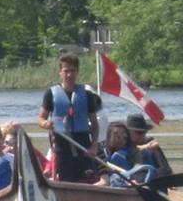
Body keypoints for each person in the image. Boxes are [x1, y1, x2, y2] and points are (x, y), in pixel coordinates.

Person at [38, 52, 102, 183]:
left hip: (83, 146)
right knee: (64, 182)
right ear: (60, 72)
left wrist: (94, 146)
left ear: (77, 72)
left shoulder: (87, 95)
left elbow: (94, 125)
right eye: (66, 71)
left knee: (85, 181)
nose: (69, 74)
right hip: (62, 148)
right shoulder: (51, 94)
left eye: (72, 71)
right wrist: (46, 124)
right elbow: (41, 119)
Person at [101, 120, 152, 188]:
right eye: (116, 133)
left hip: (128, 181)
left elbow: (139, 168)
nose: (120, 137)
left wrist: (134, 180)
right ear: (109, 136)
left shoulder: (133, 152)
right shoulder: (102, 152)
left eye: (123, 133)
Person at [125, 114, 170, 178]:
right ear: (128, 132)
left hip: (154, 179)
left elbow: (166, 169)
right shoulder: (122, 146)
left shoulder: (152, 146)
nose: (142, 135)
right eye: (139, 132)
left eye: (145, 132)